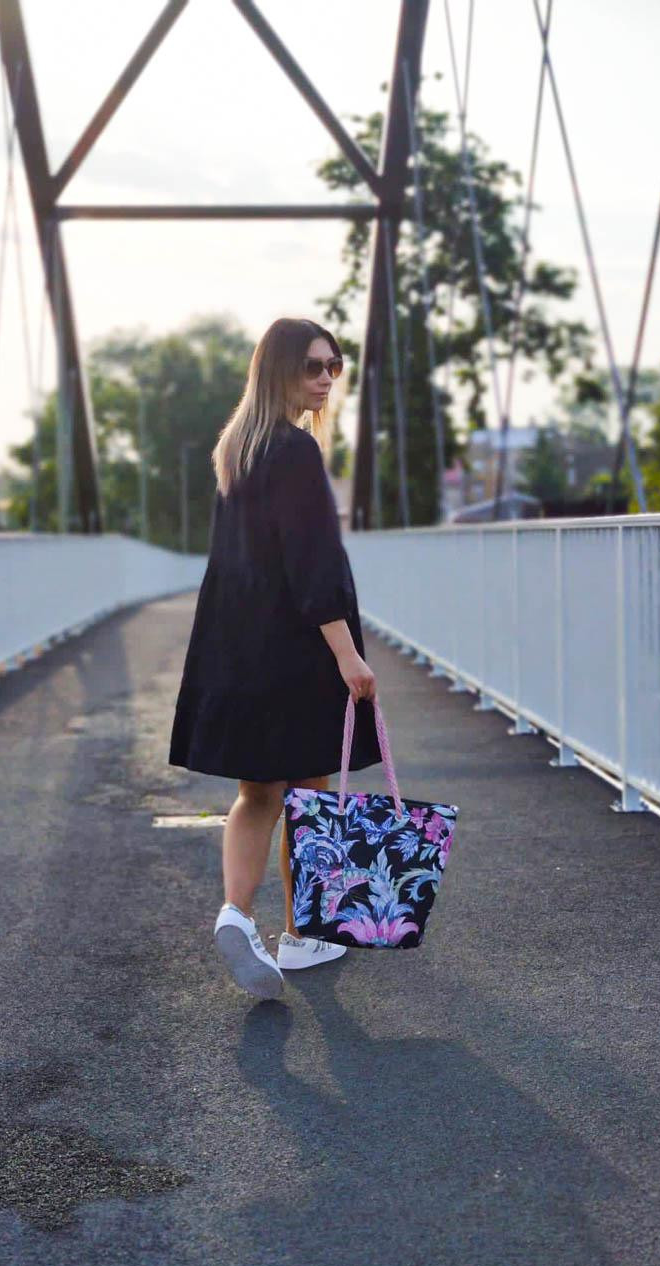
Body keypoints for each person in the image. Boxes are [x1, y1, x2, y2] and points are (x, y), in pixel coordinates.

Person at [168, 317, 382, 1000]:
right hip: (292, 651)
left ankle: (235, 914)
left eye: (334, 366)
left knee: (255, 792)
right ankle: (301, 933)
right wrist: (348, 655)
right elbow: (311, 564)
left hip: (236, 648)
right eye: (313, 367)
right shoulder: (293, 450)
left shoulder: (238, 448)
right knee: (309, 792)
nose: (325, 379)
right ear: (279, 371)